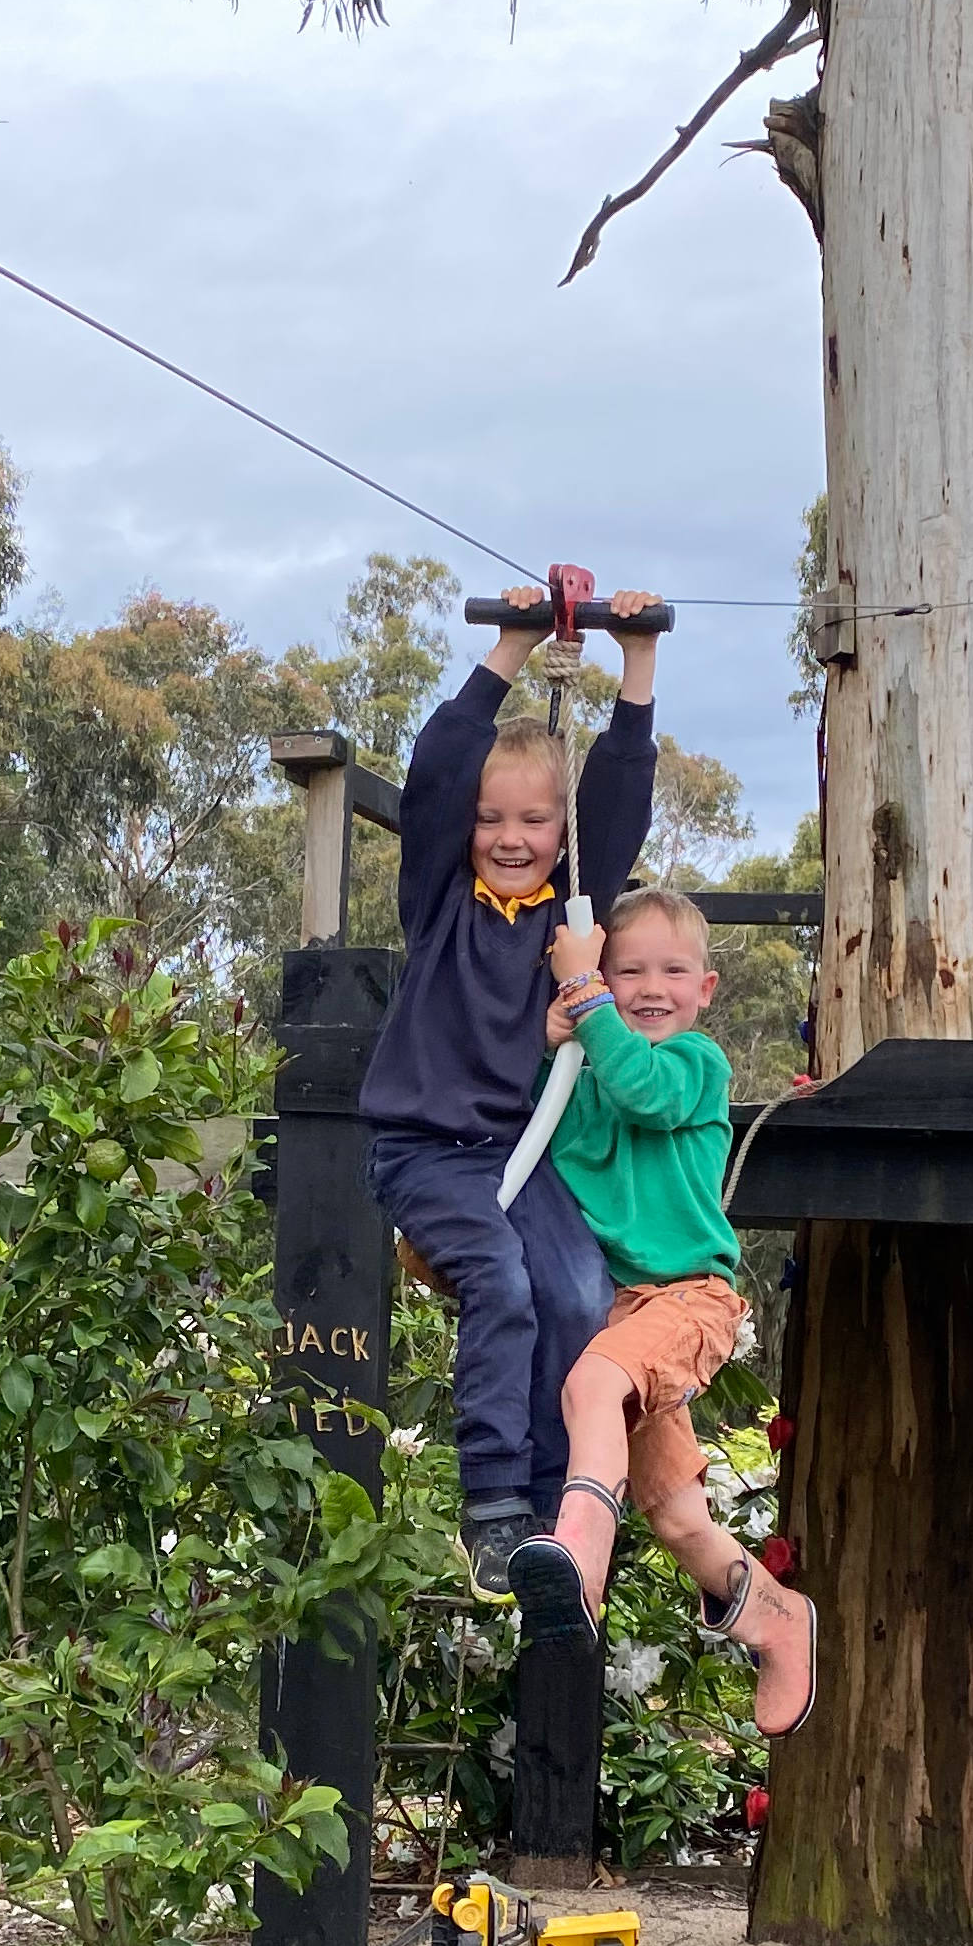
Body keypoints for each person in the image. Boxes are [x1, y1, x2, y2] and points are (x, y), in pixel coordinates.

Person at [360, 584, 660, 1590]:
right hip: (426, 1147)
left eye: (534, 818)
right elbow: (438, 770)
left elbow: (615, 794)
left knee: (579, 1290)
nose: (511, 834)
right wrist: (512, 649)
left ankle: (555, 1506)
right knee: (501, 1280)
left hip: (515, 1153)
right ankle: (491, 1503)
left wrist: (636, 666)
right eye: (492, 819)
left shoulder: (570, 912)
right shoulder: (440, 898)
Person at [506, 888, 818, 1737]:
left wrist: (590, 999)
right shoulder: (585, 1072)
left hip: (686, 1299)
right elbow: (531, 1129)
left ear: (706, 988)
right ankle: (777, 1617)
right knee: (680, 1519)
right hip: (614, 1308)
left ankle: (578, 1562)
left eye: (672, 972)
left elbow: (643, 1091)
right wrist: (545, 1041)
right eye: (626, 970)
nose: (650, 988)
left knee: (592, 1383)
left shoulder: (694, 1063)